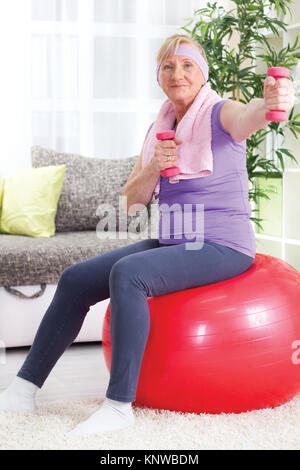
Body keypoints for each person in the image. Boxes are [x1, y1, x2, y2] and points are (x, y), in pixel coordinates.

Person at [0, 33, 295, 436]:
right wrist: (155, 165)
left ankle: (119, 406)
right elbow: (129, 204)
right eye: (168, 66)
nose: (178, 73)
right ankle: (22, 388)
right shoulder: (159, 127)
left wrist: (273, 104)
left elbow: (250, 117)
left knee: (129, 273)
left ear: (203, 73)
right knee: (75, 279)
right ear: (159, 76)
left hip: (223, 246)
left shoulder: (220, 113)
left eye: (188, 65)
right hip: (176, 239)